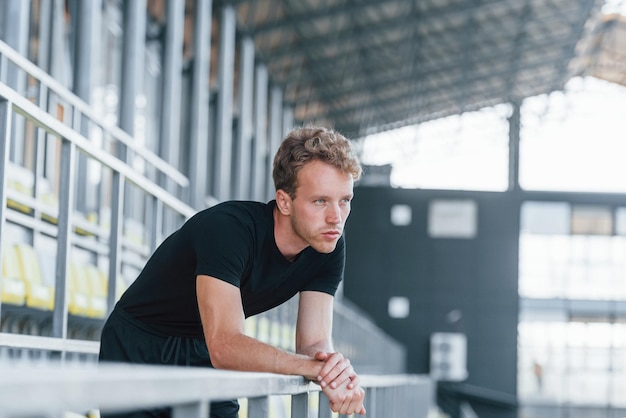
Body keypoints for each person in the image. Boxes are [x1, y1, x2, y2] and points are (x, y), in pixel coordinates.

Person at [99, 126, 366, 417]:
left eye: (345, 200)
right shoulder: (229, 229)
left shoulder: (328, 243)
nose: (336, 217)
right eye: (320, 201)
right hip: (139, 345)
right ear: (284, 201)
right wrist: (310, 367)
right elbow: (225, 345)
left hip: (203, 349)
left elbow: (313, 342)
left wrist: (333, 372)